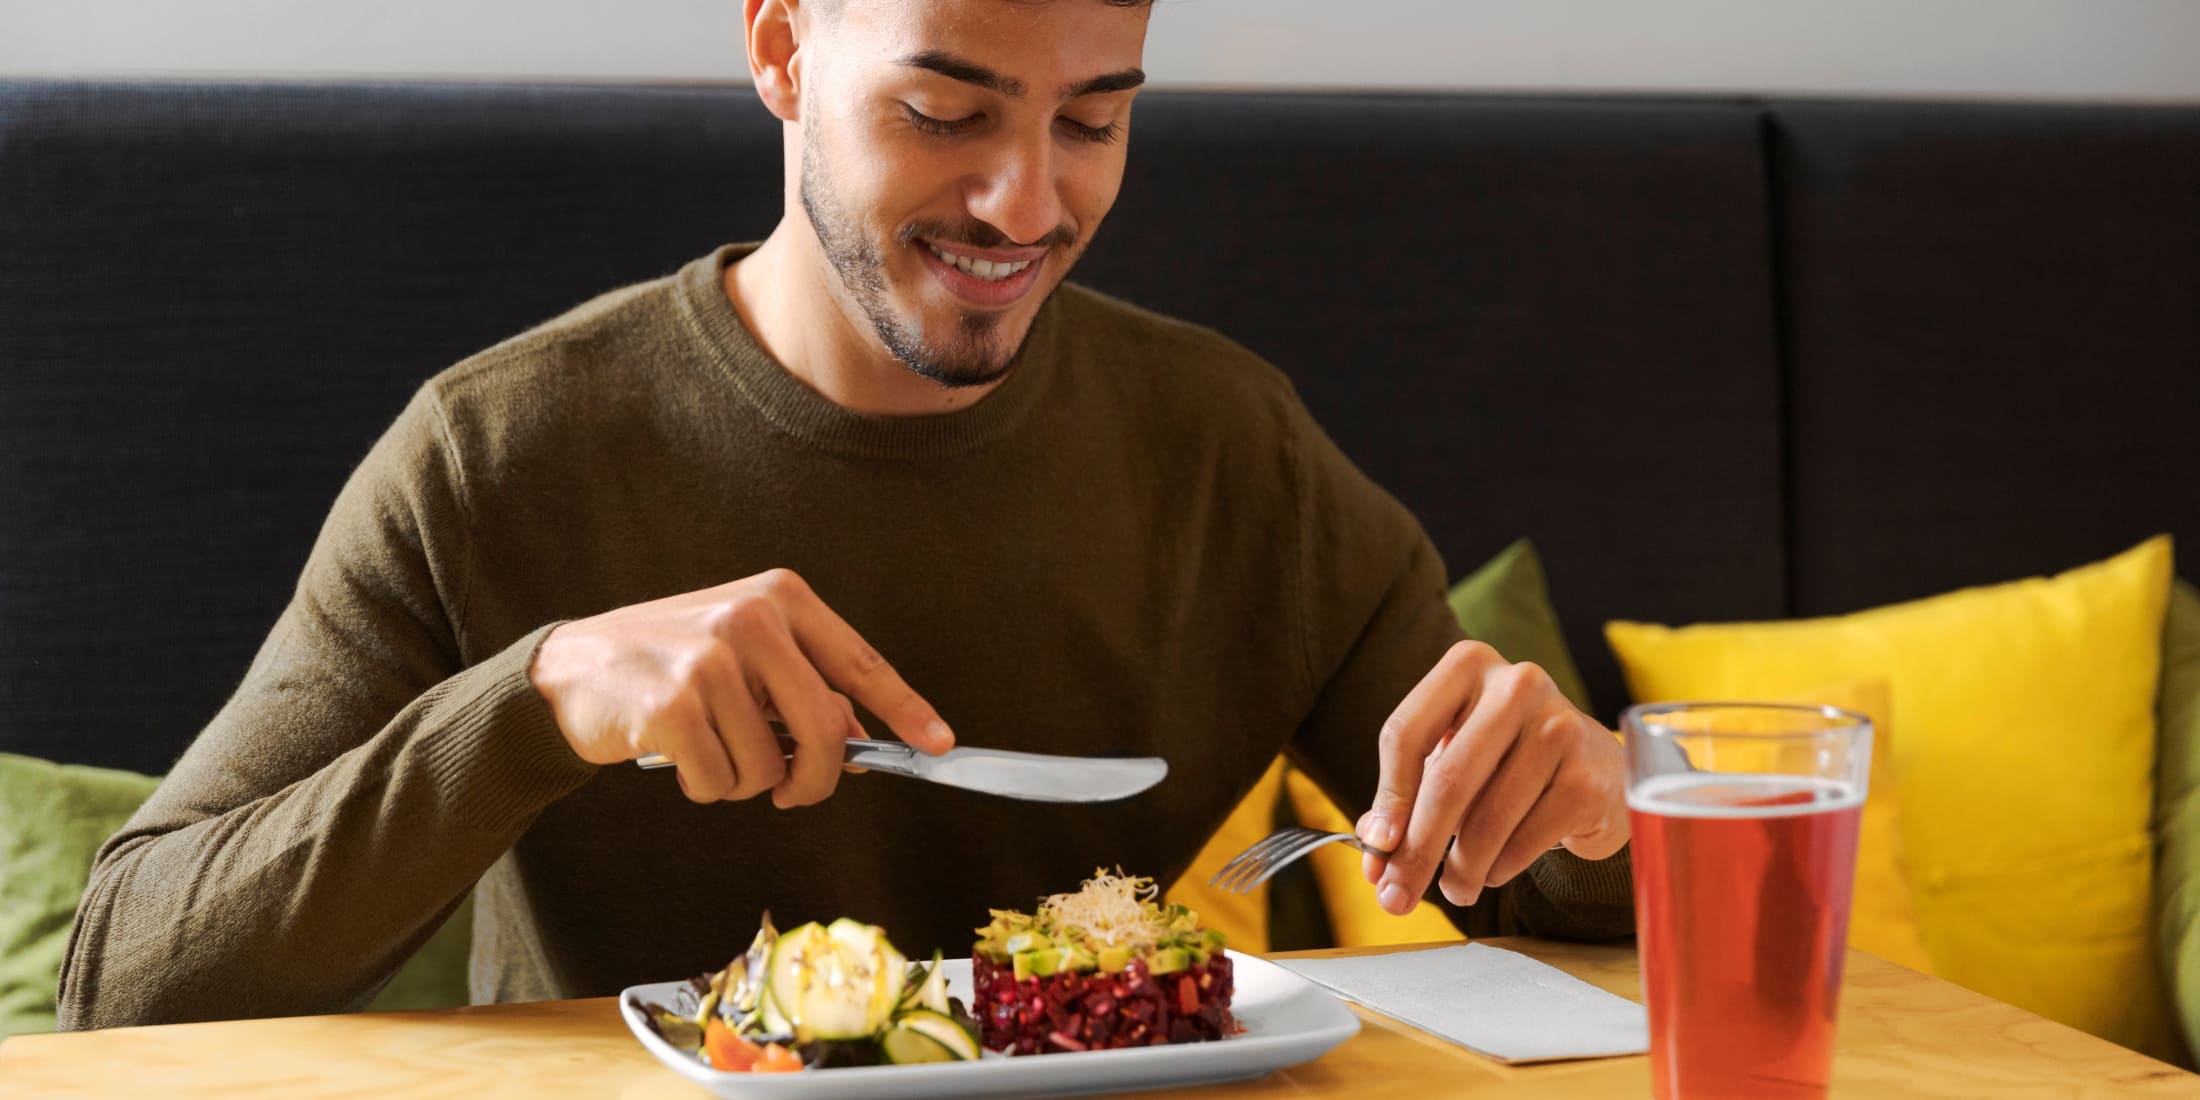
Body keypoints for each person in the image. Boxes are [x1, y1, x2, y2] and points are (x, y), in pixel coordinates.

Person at [58, 0, 1631, 1030]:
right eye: (948, 111)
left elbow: (1565, 887)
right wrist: (538, 702)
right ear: (782, 49)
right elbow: (118, 987)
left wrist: (1594, 803)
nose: (1029, 202)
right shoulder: (499, 453)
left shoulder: (1230, 447)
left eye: (1091, 120)